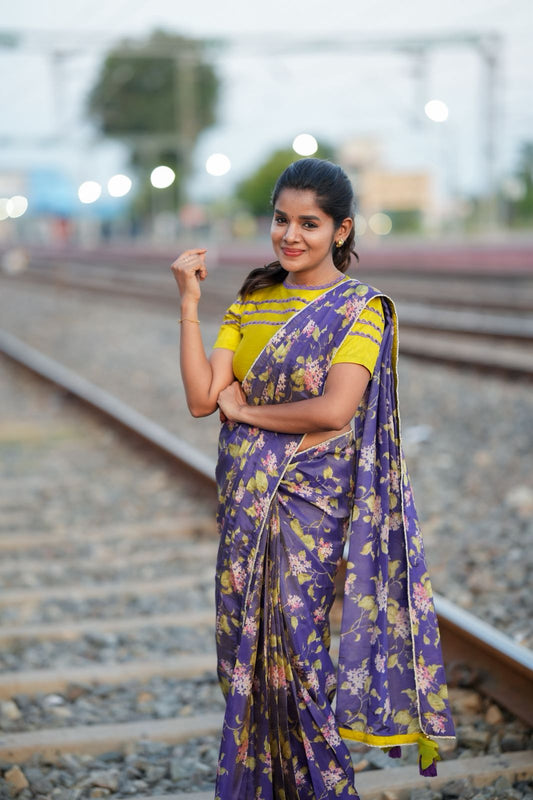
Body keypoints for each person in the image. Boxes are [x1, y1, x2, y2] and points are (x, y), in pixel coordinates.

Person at [171, 158, 455, 800]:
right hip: (246, 501)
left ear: (341, 230)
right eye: (281, 220)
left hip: (309, 503)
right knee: (240, 651)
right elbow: (200, 398)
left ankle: (323, 788)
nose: (290, 235)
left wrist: (247, 413)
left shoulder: (361, 310)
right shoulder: (252, 300)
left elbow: (334, 410)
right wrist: (189, 304)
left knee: (299, 652)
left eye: (309, 223)